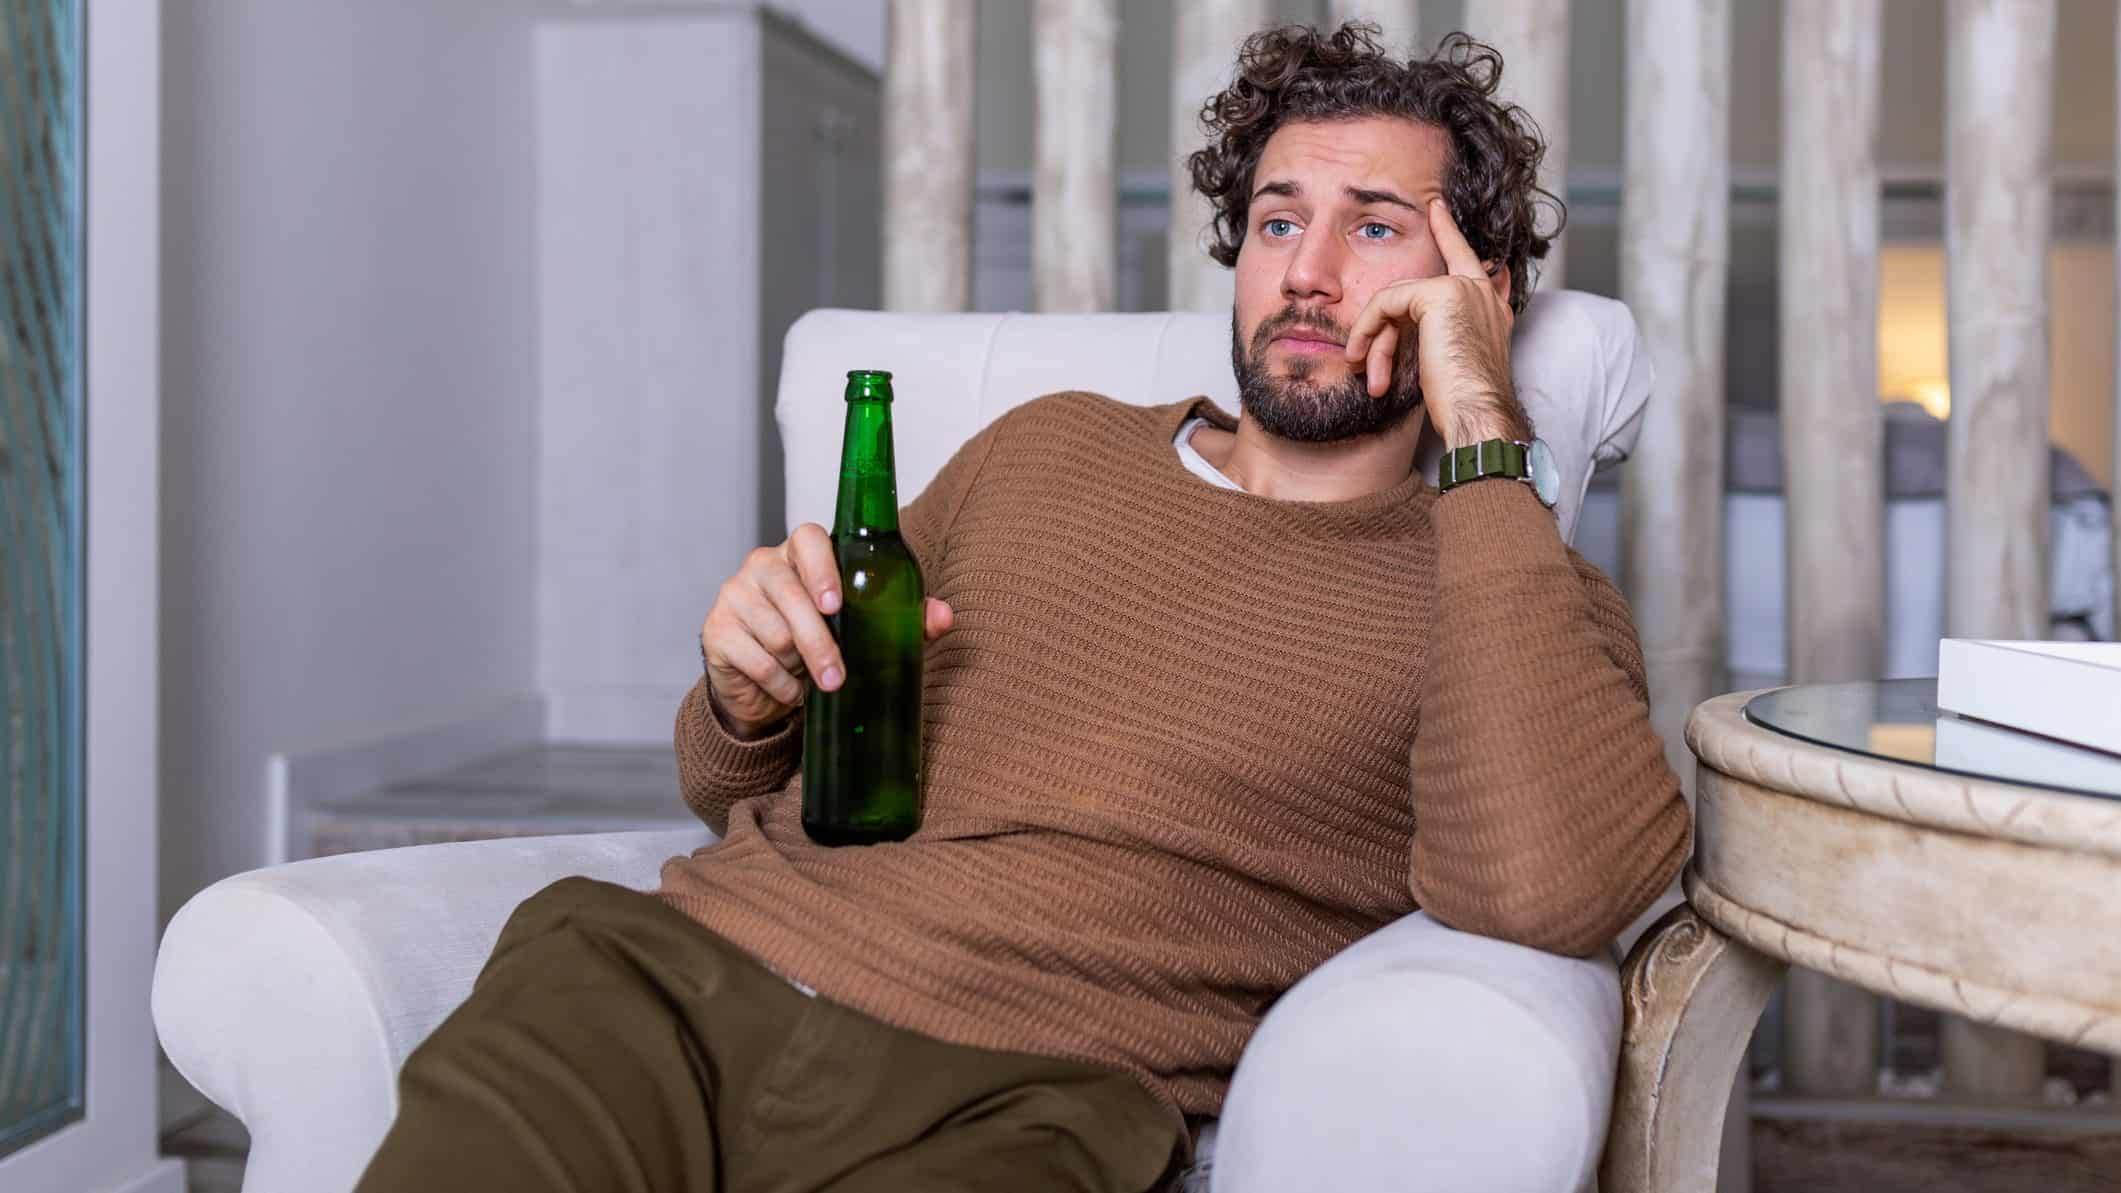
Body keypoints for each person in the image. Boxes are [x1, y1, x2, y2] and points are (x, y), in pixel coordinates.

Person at [356, 22, 1688, 1193]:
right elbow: (731, 780)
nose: (1308, 272)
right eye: (1279, 221)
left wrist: (1480, 424)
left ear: (1480, 290)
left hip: (1030, 1094)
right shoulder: (1044, 447)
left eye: (1376, 227)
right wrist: (744, 693)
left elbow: (1545, 887)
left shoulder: (1512, 586)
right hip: (671, 982)